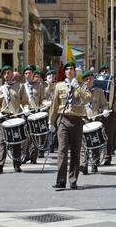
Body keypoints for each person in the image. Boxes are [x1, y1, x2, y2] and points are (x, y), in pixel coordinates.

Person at [48, 61, 91, 189]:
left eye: (71, 69)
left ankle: (73, 180)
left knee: (76, 151)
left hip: (77, 120)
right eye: (67, 69)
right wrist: (51, 121)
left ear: (75, 72)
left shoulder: (82, 86)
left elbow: (87, 99)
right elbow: (54, 105)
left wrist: (77, 87)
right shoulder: (59, 86)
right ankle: (61, 180)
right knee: (62, 150)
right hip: (63, 118)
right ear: (65, 72)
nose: (69, 71)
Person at [0, 65, 30, 174]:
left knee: (16, 141)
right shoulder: (0, 89)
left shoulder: (19, 87)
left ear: (12, 74)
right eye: (4, 73)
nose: (7, 75)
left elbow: (24, 101)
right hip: (4, 117)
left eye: (9, 73)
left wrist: (26, 108)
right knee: (2, 141)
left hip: (16, 116)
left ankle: (17, 164)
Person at [80, 70, 109, 174]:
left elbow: (104, 104)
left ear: (93, 80)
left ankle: (94, 163)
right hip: (84, 119)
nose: (88, 81)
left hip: (95, 119)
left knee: (95, 142)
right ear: (83, 81)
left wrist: (105, 110)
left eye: (90, 79)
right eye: (86, 79)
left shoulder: (99, 91)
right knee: (83, 143)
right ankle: (83, 164)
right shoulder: (79, 91)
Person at [98, 64, 116, 165]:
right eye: (102, 71)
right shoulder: (95, 83)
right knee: (96, 136)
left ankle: (107, 156)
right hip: (97, 114)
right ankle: (95, 157)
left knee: (108, 136)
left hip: (110, 113)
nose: (104, 73)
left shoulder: (113, 83)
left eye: (106, 71)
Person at [22, 66, 46, 163]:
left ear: (33, 74)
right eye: (26, 73)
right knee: (25, 134)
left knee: (34, 134)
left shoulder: (39, 86)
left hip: (35, 112)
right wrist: (24, 108)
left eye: (29, 73)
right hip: (26, 112)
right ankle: (25, 155)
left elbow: (43, 98)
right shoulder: (21, 87)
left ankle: (33, 156)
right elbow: (19, 101)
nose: (28, 75)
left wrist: (44, 104)